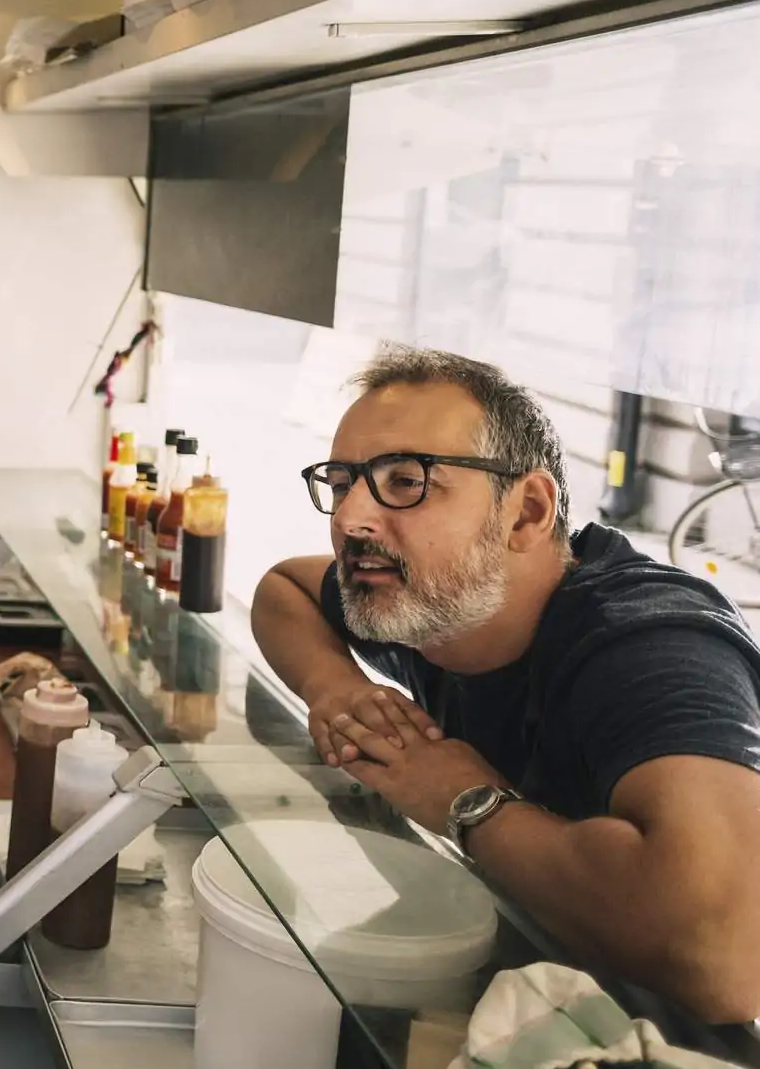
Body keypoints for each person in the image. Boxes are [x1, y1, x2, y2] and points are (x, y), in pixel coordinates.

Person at [253, 346, 760, 1024]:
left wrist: (467, 805)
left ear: (524, 513)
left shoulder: (647, 645)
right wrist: (336, 688)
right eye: (341, 483)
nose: (351, 520)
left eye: (405, 481)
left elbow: (721, 956)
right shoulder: (440, 608)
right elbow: (283, 587)